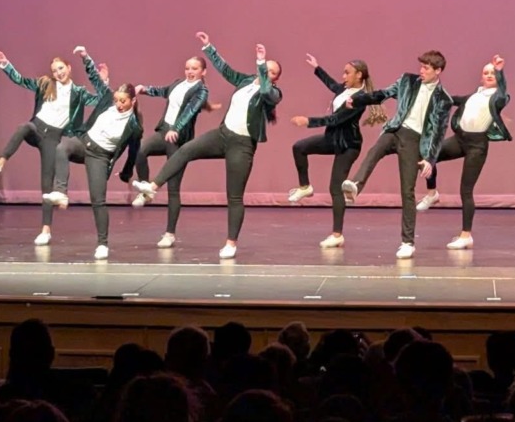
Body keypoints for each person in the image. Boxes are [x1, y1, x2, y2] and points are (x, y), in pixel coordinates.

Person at [132, 32, 282, 259]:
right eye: (264, 69)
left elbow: (265, 90)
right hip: (223, 135)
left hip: (242, 145)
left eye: (271, 71)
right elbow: (225, 70)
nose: (266, 73)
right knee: (185, 150)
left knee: (234, 196)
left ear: (275, 78)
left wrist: (261, 62)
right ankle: (152, 186)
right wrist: (208, 47)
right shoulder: (244, 81)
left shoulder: (274, 93)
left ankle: (231, 243)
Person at [340, 51, 453, 259]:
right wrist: (357, 100)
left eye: (426, 68)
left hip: (414, 140)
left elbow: (438, 132)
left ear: (438, 71)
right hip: (396, 130)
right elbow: (382, 94)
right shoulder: (407, 81)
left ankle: (408, 242)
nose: (421, 71)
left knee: (407, 190)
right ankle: (356, 185)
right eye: (421, 66)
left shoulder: (443, 99)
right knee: (376, 149)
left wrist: (430, 159)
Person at [0, 51, 99, 246]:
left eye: (61, 68)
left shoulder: (79, 92)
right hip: (37, 128)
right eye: (55, 70)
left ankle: (46, 231)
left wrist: (103, 81)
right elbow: (21, 81)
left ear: (69, 68)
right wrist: (5, 64)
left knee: (47, 185)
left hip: (53, 138)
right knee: (24, 127)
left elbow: (99, 101)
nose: (58, 73)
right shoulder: (46, 84)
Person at [42, 46, 143, 260]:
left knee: (98, 200)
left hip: (100, 156)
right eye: (116, 100)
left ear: (133, 101)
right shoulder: (107, 100)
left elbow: (133, 151)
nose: (118, 104)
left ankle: (103, 244)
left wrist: (127, 172)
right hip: (83, 143)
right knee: (63, 147)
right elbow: (96, 79)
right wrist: (85, 57)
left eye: (123, 101)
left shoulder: (134, 126)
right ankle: (61, 192)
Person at [287, 53, 386, 247]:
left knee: (335, 188)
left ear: (359, 75)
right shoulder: (345, 89)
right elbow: (332, 85)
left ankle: (337, 234)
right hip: (332, 139)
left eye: (347, 73)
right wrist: (317, 68)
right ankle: (305, 187)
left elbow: (335, 119)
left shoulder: (360, 98)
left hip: (348, 145)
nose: (343, 76)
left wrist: (308, 121)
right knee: (299, 147)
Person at [416, 55, 512, 250]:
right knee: (427, 155)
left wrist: (500, 71)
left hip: (477, 146)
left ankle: (466, 236)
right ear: (481, 77)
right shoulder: (475, 95)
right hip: (460, 139)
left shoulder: (498, 97)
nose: (489, 75)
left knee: (465, 191)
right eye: (486, 73)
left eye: (492, 73)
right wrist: (433, 90)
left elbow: (503, 93)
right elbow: (452, 99)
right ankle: (432, 193)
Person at [131, 55, 216, 249]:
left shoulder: (201, 91)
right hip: (164, 131)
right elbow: (163, 91)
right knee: (140, 150)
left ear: (203, 71)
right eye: (187, 68)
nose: (190, 71)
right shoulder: (178, 83)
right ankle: (146, 191)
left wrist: (176, 128)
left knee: (173, 188)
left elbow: (190, 111)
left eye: (194, 68)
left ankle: (169, 234)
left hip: (179, 138)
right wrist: (145, 89)